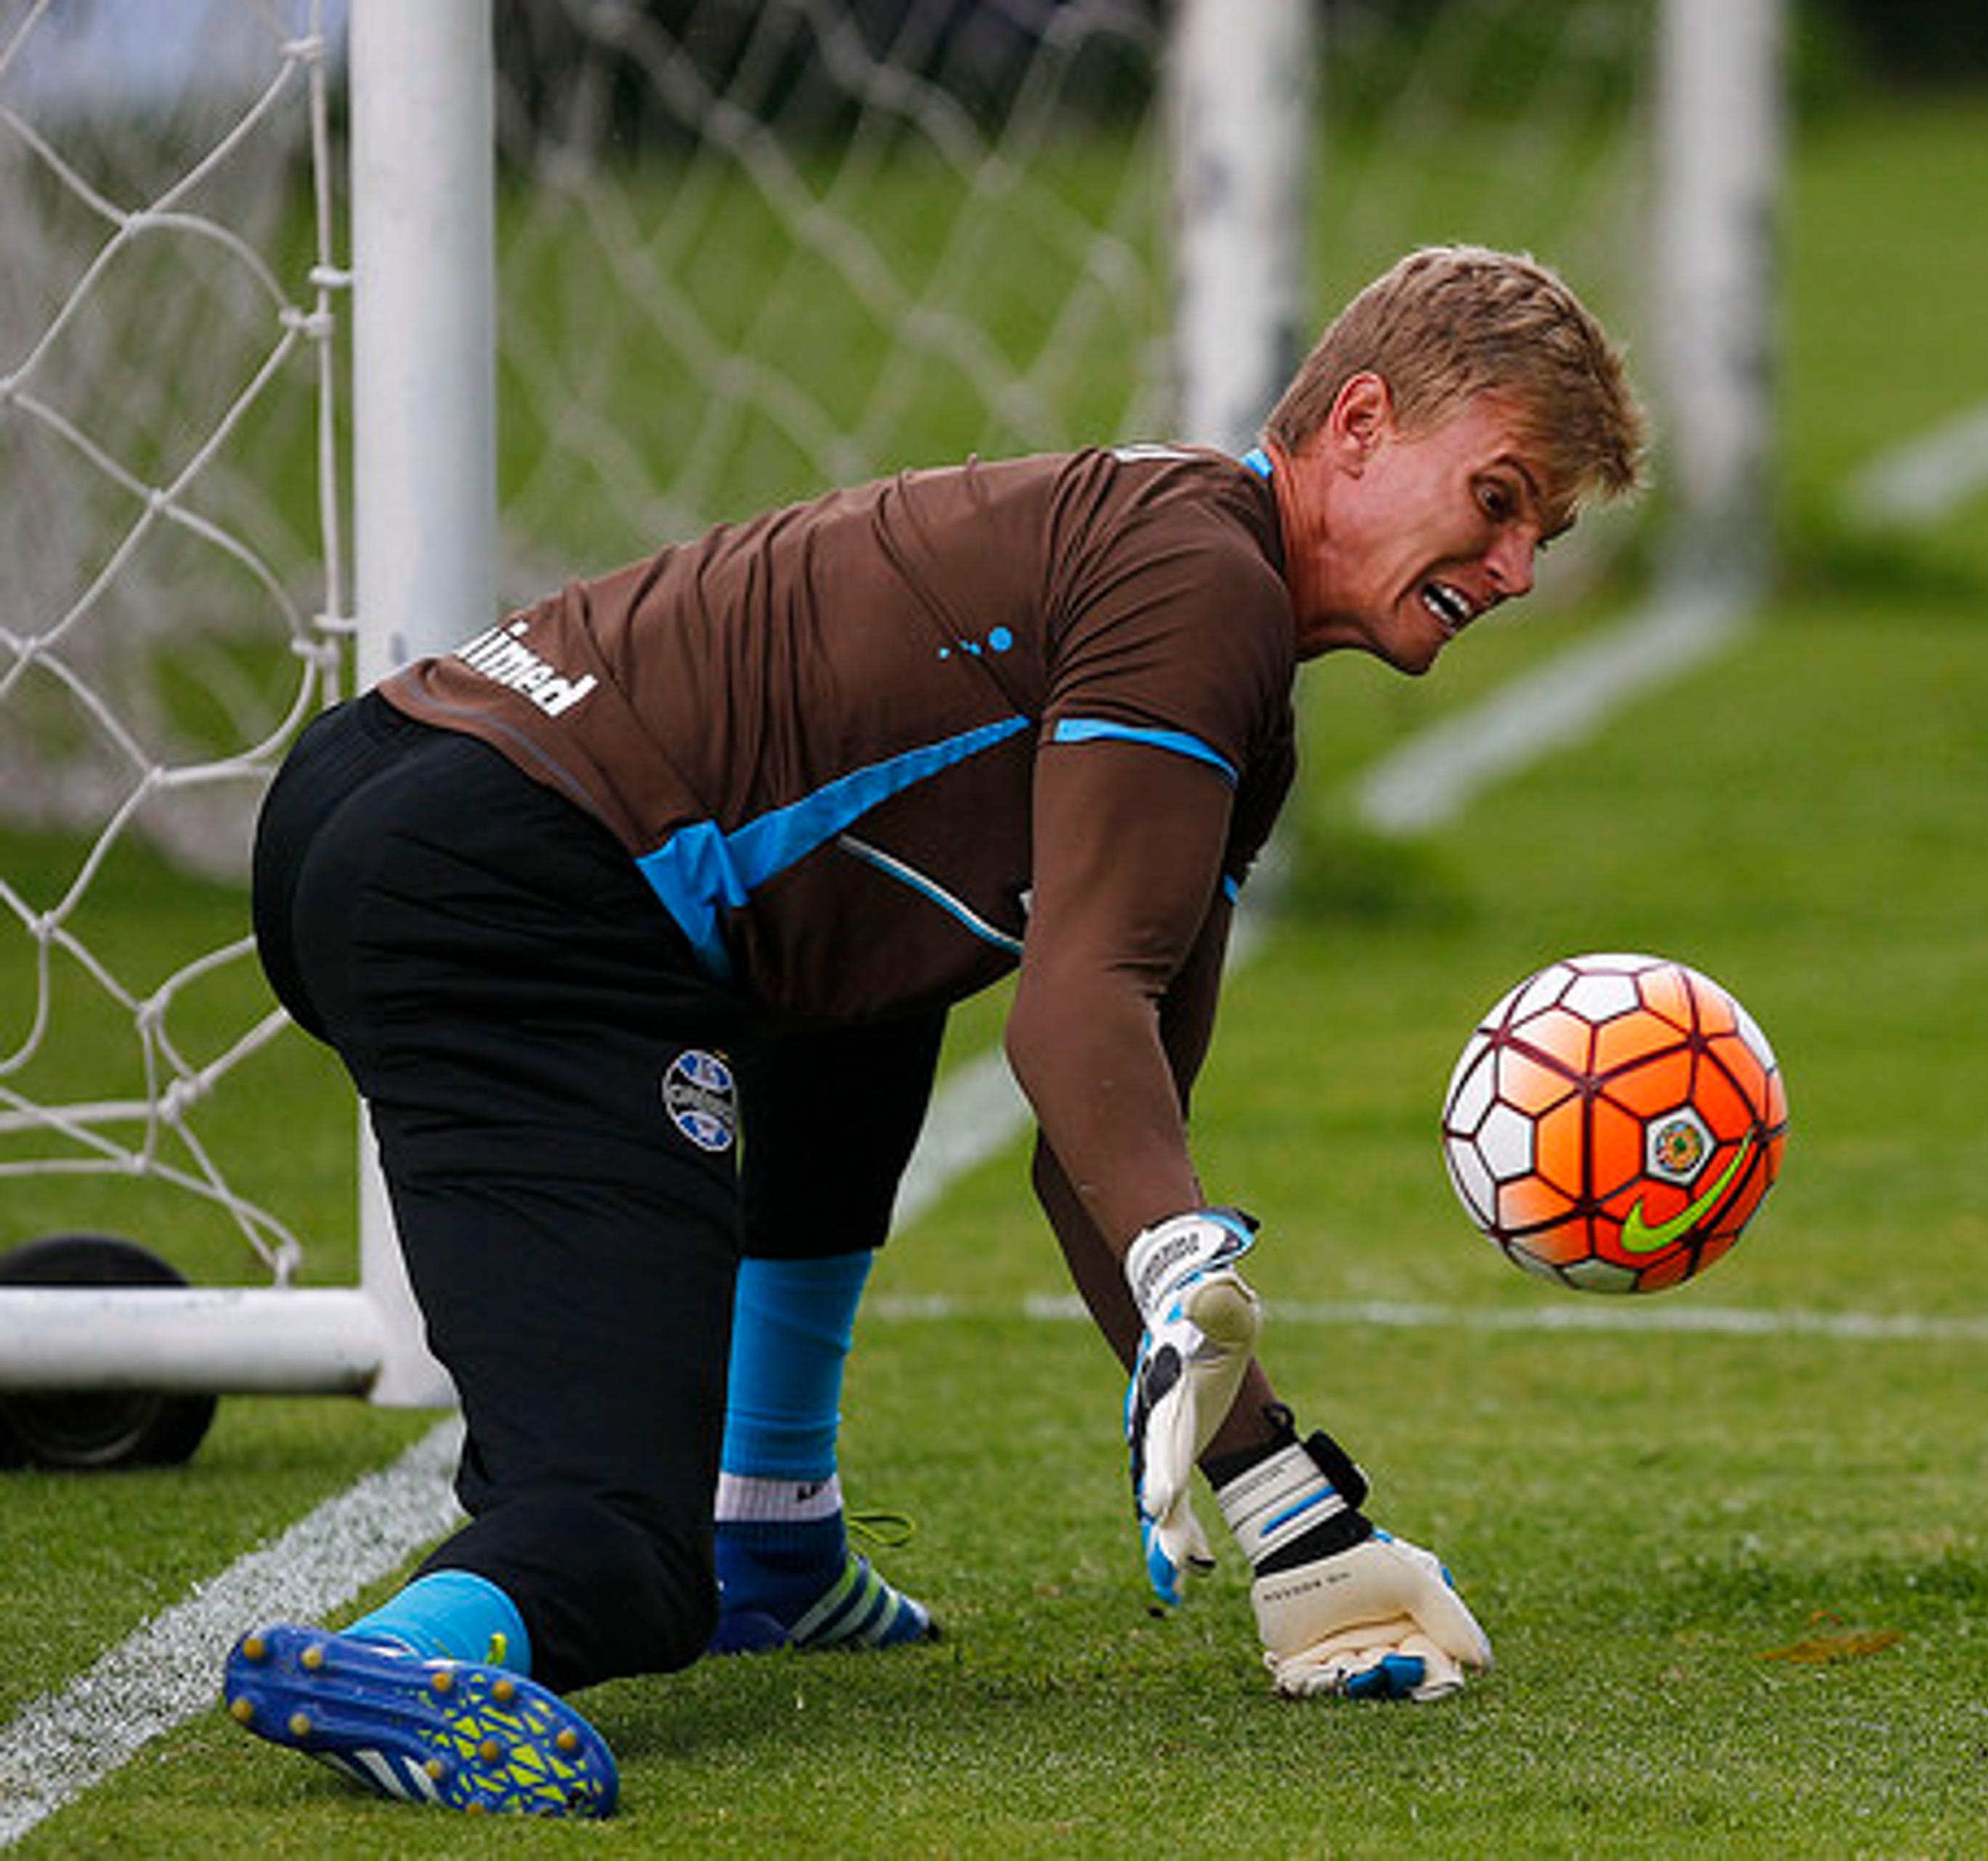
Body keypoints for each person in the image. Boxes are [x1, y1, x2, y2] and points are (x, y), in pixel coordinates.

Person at [224, 244, 1646, 1817]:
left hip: (399, 780)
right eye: (1501, 499)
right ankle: (415, 1655)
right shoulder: (1202, 591)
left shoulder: (1189, 582)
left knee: (868, 984)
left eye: (1545, 534)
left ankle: (778, 1532)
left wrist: (1293, 1511)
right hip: (505, 897)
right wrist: (1195, 1278)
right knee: (624, 1546)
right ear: (1361, 425)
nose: (1516, 570)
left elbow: (1100, 1143)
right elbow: (1079, 1016)